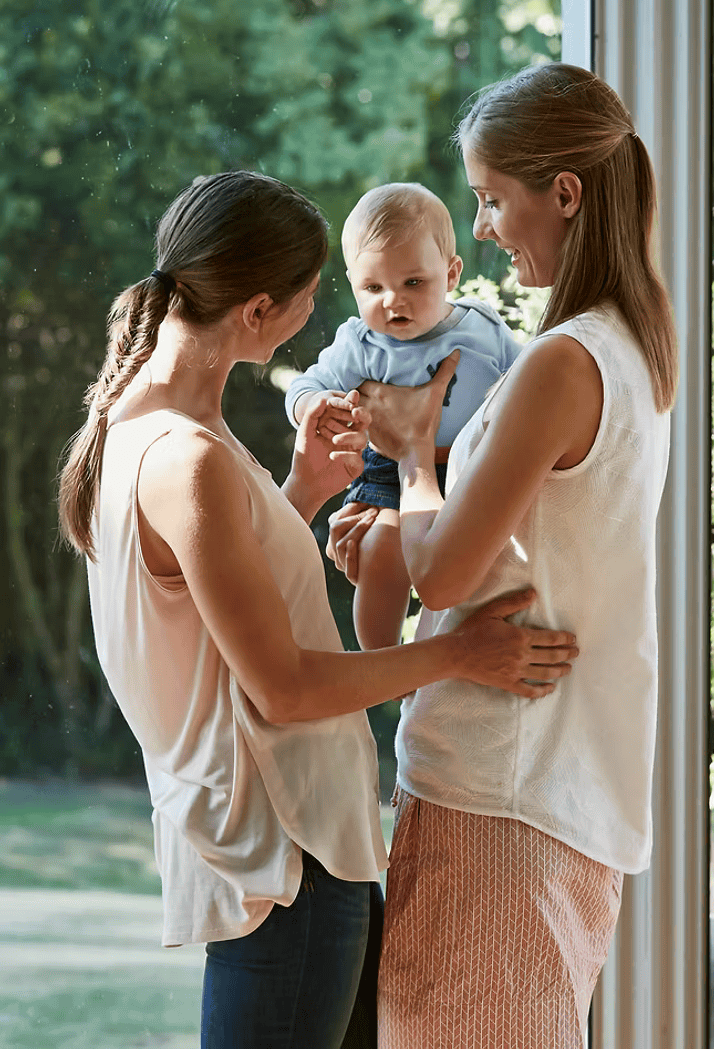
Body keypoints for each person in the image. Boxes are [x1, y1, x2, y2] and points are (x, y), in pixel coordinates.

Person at [56, 170, 579, 1049]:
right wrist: (459, 655)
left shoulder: (144, 428)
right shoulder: (188, 457)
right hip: (289, 856)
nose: (329, 313)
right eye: (311, 297)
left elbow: (211, 610)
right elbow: (285, 688)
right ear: (257, 311)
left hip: (286, 849)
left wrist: (300, 490)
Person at [327, 64, 678, 1049]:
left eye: (490, 198)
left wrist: (408, 463)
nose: (480, 226)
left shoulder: (561, 363)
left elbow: (441, 574)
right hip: (556, 784)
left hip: (497, 792)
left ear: (562, 193)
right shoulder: (632, 346)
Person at [286, 182, 520, 648]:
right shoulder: (360, 344)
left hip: (473, 466)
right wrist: (312, 406)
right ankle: (387, 662)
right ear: (353, 284)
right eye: (373, 287)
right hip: (391, 473)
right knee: (378, 553)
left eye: (413, 283)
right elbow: (306, 384)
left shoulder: (482, 327)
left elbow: (524, 381)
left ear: (451, 274)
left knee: (489, 564)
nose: (393, 301)